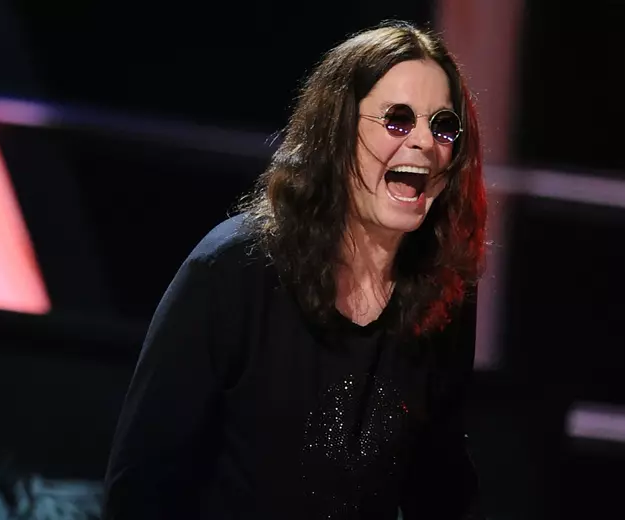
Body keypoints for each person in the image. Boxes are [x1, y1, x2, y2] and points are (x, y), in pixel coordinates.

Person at [102, 20, 488, 520]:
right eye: (397, 119)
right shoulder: (233, 271)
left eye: (443, 126)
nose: (424, 142)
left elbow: (440, 491)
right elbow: (141, 488)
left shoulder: (443, 293)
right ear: (338, 132)